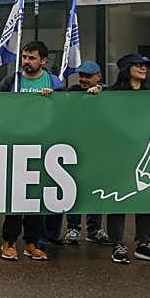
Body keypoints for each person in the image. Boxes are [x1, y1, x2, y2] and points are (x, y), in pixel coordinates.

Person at [0, 40, 61, 262]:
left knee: (36, 197)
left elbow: (67, 108)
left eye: (32, 58)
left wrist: (54, 98)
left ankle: (31, 242)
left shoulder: (53, 81)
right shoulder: (12, 80)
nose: (26, 61)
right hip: (16, 145)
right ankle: (9, 241)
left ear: (43, 60)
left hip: (43, 146)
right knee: (16, 197)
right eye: (24, 57)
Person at [106, 54, 150, 264]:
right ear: (127, 68)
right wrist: (93, 95)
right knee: (118, 198)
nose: (143, 69)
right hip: (119, 153)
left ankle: (143, 242)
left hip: (144, 151)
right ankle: (117, 243)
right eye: (138, 65)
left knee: (147, 195)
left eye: (145, 66)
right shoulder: (113, 94)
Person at [60, 60, 108, 245]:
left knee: (96, 188)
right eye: (81, 76)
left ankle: (94, 229)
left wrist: (101, 91)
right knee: (74, 186)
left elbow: (114, 94)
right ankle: (73, 228)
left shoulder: (107, 93)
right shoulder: (73, 91)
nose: (84, 80)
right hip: (75, 146)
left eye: (88, 76)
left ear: (98, 77)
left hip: (97, 148)